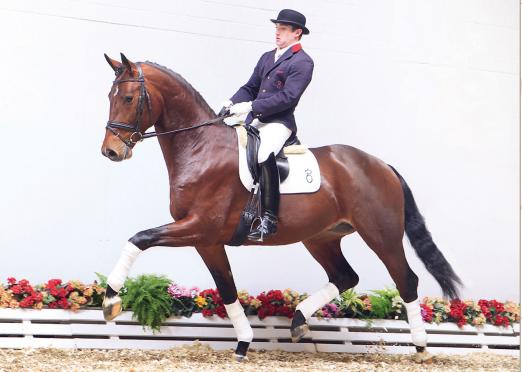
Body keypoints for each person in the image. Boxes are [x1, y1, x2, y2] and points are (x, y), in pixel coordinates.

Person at [219, 9, 314, 242]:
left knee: (263, 153)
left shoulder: (303, 62)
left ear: (297, 33)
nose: (277, 33)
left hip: (279, 122)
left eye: (283, 29)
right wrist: (232, 102)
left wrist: (251, 107)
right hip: (257, 120)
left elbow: (288, 97)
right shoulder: (266, 57)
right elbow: (250, 87)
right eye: (277, 28)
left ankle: (269, 219)